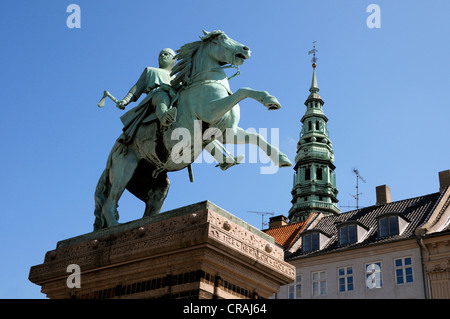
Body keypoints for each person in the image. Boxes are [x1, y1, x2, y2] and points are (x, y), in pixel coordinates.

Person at [118, 48, 178, 144]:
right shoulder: (150, 70)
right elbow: (136, 88)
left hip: (174, 97)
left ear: (173, 59)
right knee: (162, 96)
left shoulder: (176, 77)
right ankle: (164, 118)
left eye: (166, 54)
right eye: (160, 55)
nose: (162, 56)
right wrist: (125, 100)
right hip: (156, 95)